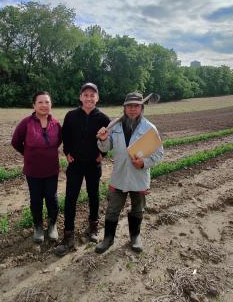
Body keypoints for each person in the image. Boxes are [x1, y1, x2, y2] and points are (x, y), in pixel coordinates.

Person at [95, 92, 164, 254]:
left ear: (141, 108)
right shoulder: (114, 126)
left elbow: (159, 153)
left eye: (136, 106)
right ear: (124, 108)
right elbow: (105, 148)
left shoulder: (149, 128)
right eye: (129, 106)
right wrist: (103, 139)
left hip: (138, 177)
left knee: (137, 209)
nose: (132, 109)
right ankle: (108, 238)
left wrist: (144, 163)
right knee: (113, 209)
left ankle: (135, 237)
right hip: (119, 175)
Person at [55, 82, 110, 256]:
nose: (89, 98)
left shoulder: (103, 118)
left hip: (93, 164)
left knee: (94, 196)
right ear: (81, 97)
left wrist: (104, 154)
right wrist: (67, 152)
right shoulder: (71, 116)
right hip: (76, 164)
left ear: (97, 98)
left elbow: (108, 139)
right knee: (71, 198)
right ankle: (68, 235)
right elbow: (66, 136)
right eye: (85, 95)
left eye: (92, 95)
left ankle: (93, 228)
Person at [11, 91, 62, 243]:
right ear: (34, 105)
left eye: (47, 102)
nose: (44, 105)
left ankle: (52, 225)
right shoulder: (26, 123)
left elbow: (58, 142)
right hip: (33, 171)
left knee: (52, 199)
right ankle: (38, 226)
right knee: (36, 199)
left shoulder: (56, 124)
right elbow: (15, 142)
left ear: (51, 105)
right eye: (40, 102)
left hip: (51, 170)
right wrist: (28, 154)